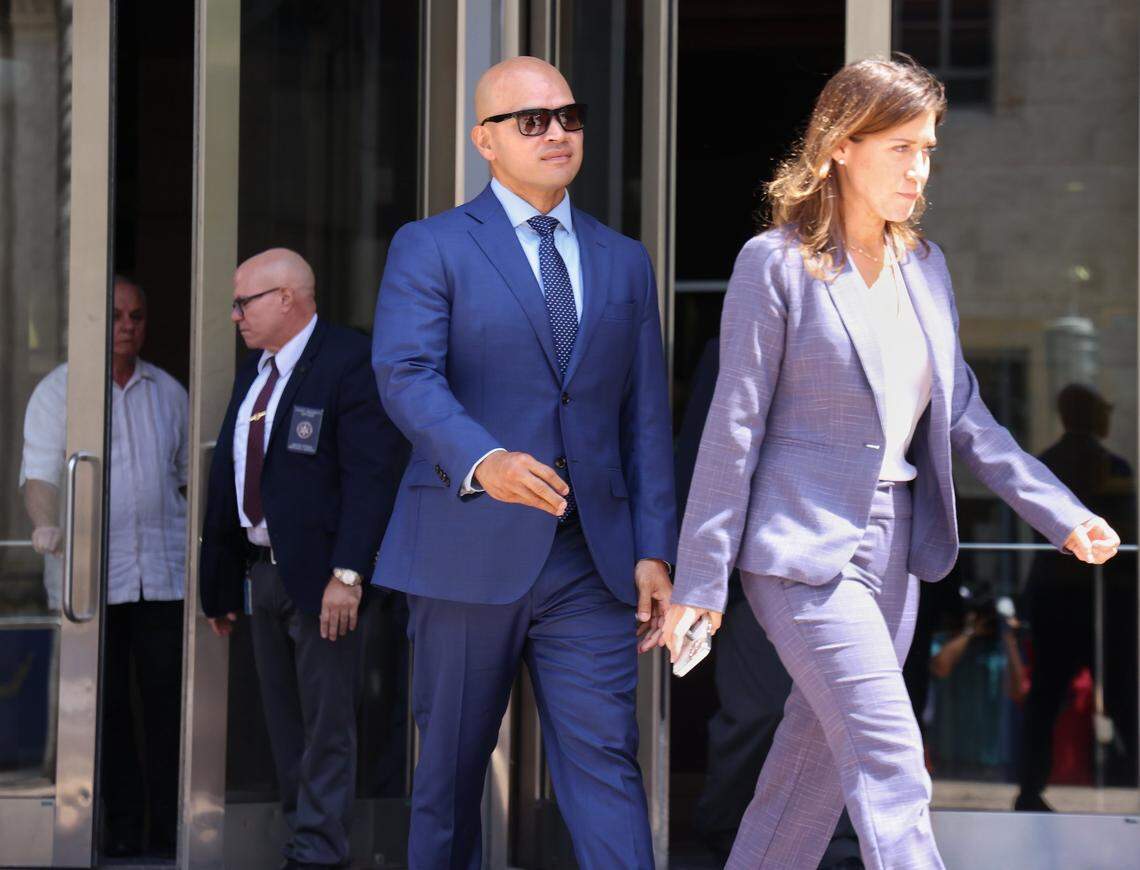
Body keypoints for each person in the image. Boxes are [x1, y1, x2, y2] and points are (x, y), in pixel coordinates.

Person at [661, 57, 1120, 870]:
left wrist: (1064, 513)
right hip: (801, 553)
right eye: (901, 147)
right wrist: (700, 581)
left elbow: (966, 416)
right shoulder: (775, 263)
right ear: (840, 145)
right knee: (889, 753)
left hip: (893, 552)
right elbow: (732, 427)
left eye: (930, 149)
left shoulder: (926, 267)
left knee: (807, 779)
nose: (920, 169)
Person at [371, 56, 676, 869]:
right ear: (485, 141)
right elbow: (404, 374)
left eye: (569, 117)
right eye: (531, 120)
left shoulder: (623, 260)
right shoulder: (431, 245)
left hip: (591, 559)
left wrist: (654, 548)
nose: (556, 133)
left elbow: (644, 416)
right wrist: (486, 459)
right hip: (465, 550)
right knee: (448, 781)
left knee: (607, 769)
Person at [199, 248, 406, 870]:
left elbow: (372, 476)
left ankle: (318, 852)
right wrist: (220, 584)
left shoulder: (347, 361)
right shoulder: (256, 372)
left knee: (326, 724)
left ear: (287, 297)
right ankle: (305, 837)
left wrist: (349, 574)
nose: (235, 315)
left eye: (244, 302)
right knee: (285, 723)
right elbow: (232, 474)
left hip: (326, 584)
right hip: (264, 575)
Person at [21, 276, 189, 857]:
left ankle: (171, 838)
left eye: (137, 316)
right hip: (90, 582)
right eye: (117, 315)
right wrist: (46, 524)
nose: (127, 326)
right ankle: (117, 840)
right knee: (107, 717)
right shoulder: (58, 391)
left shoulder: (169, 391)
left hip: (163, 579)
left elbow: (189, 478)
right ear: (94, 320)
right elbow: (40, 475)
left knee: (171, 714)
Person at [1015, 384, 1137, 810]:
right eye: (1104, 408)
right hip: (1096, 598)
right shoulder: (1108, 465)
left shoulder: (1045, 464)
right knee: (1122, 696)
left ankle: (1030, 788)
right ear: (1087, 414)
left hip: (1057, 597)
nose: (1108, 415)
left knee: (1046, 697)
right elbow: (1125, 540)